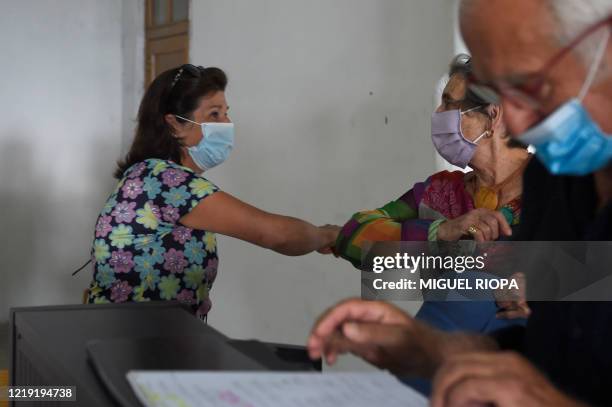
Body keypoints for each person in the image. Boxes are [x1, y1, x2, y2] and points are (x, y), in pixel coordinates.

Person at [308, 1, 612, 406]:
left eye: (530, 85)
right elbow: (553, 351)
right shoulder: (548, 184)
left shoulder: (526, 199)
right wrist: (430, 349)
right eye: (495, 89)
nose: (519, 127)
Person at [87, 65, 339, 318]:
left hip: (149, 336)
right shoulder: (164, 181)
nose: (226, 124)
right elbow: (275, 234)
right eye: (214, 114)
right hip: (135, 341)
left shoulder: (150, 174)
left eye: (226, 113)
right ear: (175, 124)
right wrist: (329, 235)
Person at [335, 54, 531, 334]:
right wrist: (440, 231)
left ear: (493, 115)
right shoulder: (439, 193)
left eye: (450, 104)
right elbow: (353, 237)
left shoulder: (556, 187)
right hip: (445, 351)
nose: (438, 115)